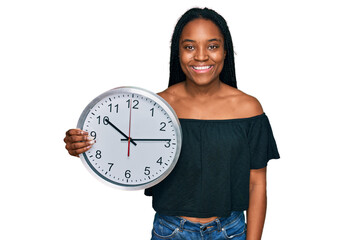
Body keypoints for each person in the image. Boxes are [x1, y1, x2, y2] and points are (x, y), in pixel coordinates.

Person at [64, 7, 280, 240]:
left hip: (230, 232)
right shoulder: (155, 107)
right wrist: (81, 144)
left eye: (212, 46)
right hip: (171, 231)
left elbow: (257, 183)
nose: (200, 56)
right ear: (177, 53)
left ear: (226, 51)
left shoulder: (249, 108)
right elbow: (117, 142)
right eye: (189, 46)